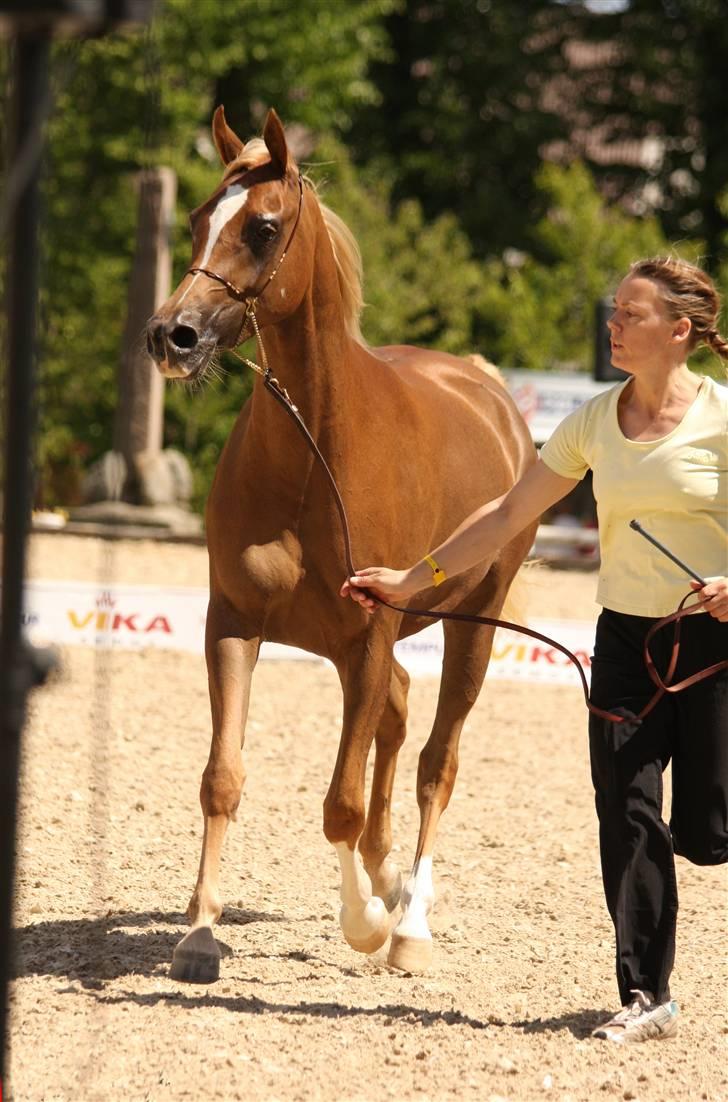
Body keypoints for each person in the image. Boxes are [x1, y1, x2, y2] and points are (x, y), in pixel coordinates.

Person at [341, 256, 728, 1044]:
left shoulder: (722, 419)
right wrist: (415, 580)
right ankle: (646, 995)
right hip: (625, 639)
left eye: (632, 313)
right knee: (626, 812)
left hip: (714, 642)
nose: (613, 323)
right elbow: (510, 509)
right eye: (614, 309)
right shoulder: (592, 420)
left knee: (706, 833)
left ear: (680, 331)